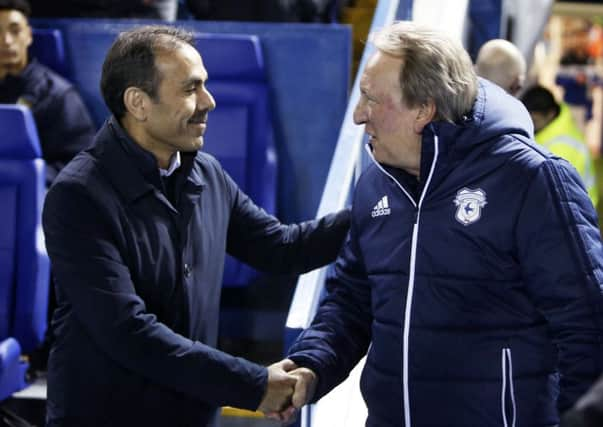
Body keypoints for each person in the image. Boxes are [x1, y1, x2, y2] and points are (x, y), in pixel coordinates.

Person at [275, 21, 603, 426]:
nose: (359, 116)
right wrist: (313, 364)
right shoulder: (376, 182)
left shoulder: (531, 179)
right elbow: (352, 299)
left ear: (423, 109)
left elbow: (587, 325)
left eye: (371, 99)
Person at [41, 25, 350, 427]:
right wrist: (254, 384)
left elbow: (282, 247)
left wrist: (376, 209)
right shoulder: (78, 196)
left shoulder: (206, 173)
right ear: (138, 103)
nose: (209, 101)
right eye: (191, 89)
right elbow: (127, 332)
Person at [0, 0, 96, 186]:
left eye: (15, 30)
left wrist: (29, 176)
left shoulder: (57, 94)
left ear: (28, 35)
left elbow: (82, 163)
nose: (6, 41)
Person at [521, 84, 598, 207]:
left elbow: (549, 195)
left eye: (535, 121)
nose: (530, 125)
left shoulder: (559, 147)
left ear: (550, 114)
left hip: (574, 215)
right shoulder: (554, 132)